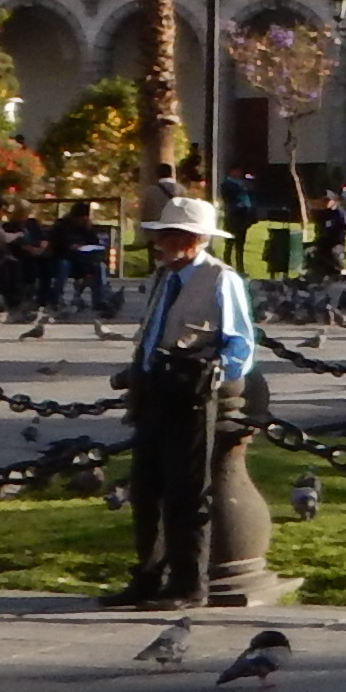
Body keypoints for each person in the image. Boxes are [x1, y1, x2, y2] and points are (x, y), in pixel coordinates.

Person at [118, 191, 260, 608]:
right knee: (145, 491)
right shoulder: (165, 277)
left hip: (190, 400)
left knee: (187, 493)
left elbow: (242, 347)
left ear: (194, 239)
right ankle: (147, 577)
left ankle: (187, 584)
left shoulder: (220, 279)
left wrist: (210, 377)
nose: (160, 243)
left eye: (170, 235)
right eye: (161, 234)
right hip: (151, 395)